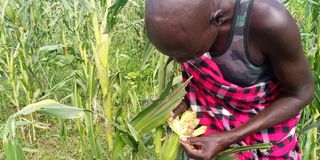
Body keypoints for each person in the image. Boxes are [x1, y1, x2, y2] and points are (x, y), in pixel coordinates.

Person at [145, 0, 314, 159]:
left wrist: (227, 138)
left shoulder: (269, 22)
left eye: (185, 55)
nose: (180, 62)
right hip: (207, 132)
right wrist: (183, 100)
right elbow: (200, 79)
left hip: (263, 141)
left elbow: (301, 94)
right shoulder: (189, 27)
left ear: (217, 19)